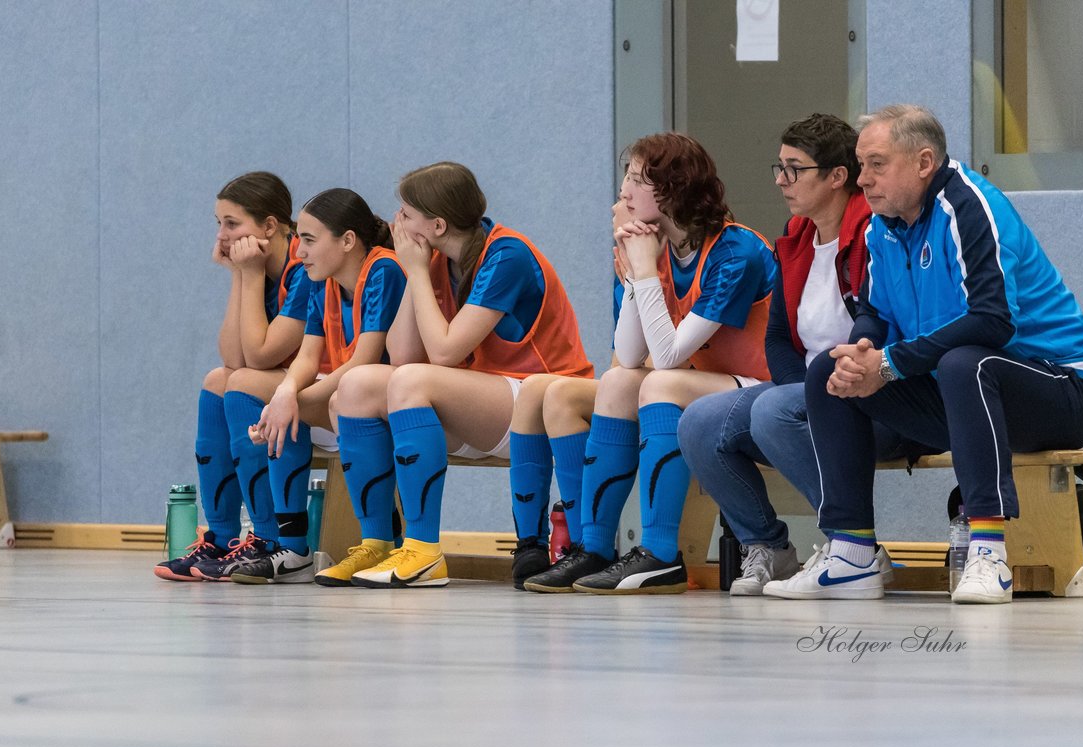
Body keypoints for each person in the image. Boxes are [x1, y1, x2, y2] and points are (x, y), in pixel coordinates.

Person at [764, 104, 1083, 605]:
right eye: (861, 165)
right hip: (962, 393)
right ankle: (852, 553)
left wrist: (891, 363)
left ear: (924, 162)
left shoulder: (968, 206)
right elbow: (875, 312)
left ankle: (989, 551)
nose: (864, 180)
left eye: (877, 164)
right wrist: (862, 349)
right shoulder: (883, 224)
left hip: (1060, 388)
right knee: (828, 374)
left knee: (965, 361)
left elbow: (993, 321)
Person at [522, 133, 775, 595]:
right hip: (706, 386)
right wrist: (637, 269)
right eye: (627, 177)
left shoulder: (735, 251)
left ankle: (661, 554)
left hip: (766, 391)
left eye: (638, 180)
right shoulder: (654, 249)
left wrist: (641, 271)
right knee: (619, 382)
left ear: (674, 191)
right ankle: (593, 546)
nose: (623, 192)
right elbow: (632, 354)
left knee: (660, 386)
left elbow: (667, 358)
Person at [679, 113, 920, 596]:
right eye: (780, 167)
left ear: (837, 176)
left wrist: (807, 397)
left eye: (795, 169)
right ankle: (768, 547)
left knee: (773, 410)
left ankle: (853, 545)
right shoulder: (794, 239)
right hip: (810, 392)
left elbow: (891, 329)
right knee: (700, 422)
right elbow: (778, 340)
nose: (781, 180)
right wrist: (804, 392)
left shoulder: (875, 234)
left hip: (879, 397)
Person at [329, 161, 593, 589]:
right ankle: (377, 541)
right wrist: (415, 272)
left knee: (413, 382)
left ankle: (423, 550)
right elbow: (403, 354)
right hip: (486, 400)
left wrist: (414, 271)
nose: (397, 223)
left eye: (406, 214)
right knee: (356, 387)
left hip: (540, 400)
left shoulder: (506, 254)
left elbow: (446, 352)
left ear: (436, 224)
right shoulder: (436, 260)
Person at [218, 188, 407, 584]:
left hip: (384, 401)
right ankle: (290, 547)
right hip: (346, 396)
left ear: (348, 241)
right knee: (262, 398)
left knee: (320, 398)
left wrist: (293, 402)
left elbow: (364, 360)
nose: (299, 252)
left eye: (308, 240)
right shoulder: (324, 279)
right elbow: (307, 357)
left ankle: (382, 540)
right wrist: (286, 395)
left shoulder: (383, 269)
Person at [154, 172, 312, 582]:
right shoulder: (259, 265)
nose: (222, 235)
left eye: (232, 223)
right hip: (285, 379)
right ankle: (223, 537)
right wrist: (240, 275)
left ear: (270, 226)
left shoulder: (303, 270)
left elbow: (259, 356)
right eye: (218, 223)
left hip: (325, 382)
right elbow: (233, 355)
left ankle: (268, 537)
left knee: (240, 383)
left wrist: (251, 274)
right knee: (217, 380)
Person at [503, 200, 633, 589]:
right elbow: (622, 356)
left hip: (686, 384)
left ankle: (587, 544)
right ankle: (530, 545)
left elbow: (668, 355)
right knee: (534, 389)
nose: (614, 206)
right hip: (637, 382)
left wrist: (639, 283)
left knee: (561, 393)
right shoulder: (626, 263)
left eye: (627, 198)